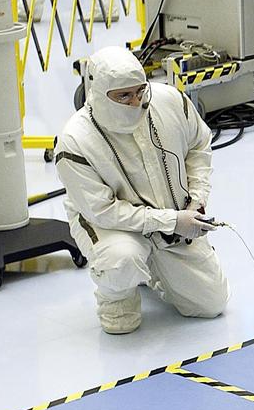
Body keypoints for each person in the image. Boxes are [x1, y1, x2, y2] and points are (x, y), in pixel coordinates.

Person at [54, 47, 228, 334]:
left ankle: (152, 270)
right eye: (123, 96)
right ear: (98, 93)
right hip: (111, 227)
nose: (136, 102)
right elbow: (103, 210)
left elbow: (199, 144)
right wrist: (171, 221)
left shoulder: (170, 102)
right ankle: (117, 296)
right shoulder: (76, 141)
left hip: (174, 221)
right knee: (122, 262)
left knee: (212, 304)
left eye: (139, 91)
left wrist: (196, 199)